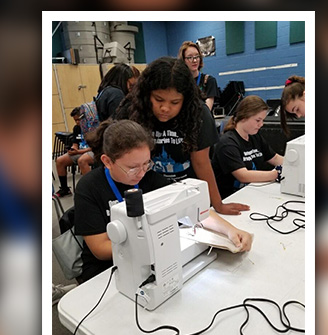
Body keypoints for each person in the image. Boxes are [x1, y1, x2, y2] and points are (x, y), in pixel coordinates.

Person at [74, 119, 253, 282]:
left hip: (152, 262)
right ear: (107, 161)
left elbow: (193, 208)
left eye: (146, 163)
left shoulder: (150, 179)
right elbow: (100, 249)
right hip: (107, 270)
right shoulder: (89, 188)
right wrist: (159, 242)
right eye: (132, 167)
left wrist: (231, 231)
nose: (141, 172)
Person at [114, 56, 249, 215]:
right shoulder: (133, 110)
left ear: (185, 100)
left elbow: (201, 163)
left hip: (187, 192)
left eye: (175, 102)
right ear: (147, 93)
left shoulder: (198, 113)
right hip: (147, 194)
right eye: (159, 99)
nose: (165, 108)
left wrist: (217, 204)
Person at [212, 95, 284, 199]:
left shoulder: (255, 137)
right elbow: (243, 176)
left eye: (262, 120)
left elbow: (275, 158)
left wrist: (295, 165)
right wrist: (277, 174)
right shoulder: (227, 143)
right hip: (231, 198)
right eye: (258, 120)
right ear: (244, 117)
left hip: (252, 192)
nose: (261, 124)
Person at [76, 63, 140, 173]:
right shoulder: (116, 94)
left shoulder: (104, 91)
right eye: (130, 84)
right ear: (124, 80)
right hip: (113, 145)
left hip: (103, 141)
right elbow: (119, 125)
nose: (131, 89)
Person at [54, 107, 93, 196]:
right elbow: (75, 143)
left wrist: (79, 151)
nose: (77, 122)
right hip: (79, 152)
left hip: (91, 152)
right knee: (60, 160)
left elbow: (94, 147)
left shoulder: (91, 127)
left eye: (79, 120)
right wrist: (73, 148)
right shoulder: (76, 128)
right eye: (75, 120)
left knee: (82, 161)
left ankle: (91, 189)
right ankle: (64, 189)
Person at [178, 41, 219, 111]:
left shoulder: (209, 81)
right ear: (183, 60)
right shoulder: (180, 83)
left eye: (197, 56)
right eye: (190, 57)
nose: (194, 60)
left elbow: (207, 110)